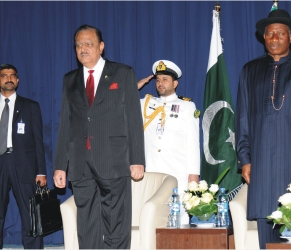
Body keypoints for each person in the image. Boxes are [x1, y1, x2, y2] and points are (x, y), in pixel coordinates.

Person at [235, 9, 291, 249]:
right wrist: (244, 159)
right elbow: (242, 118)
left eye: (280, 34)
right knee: (267, 227)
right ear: (263, 38)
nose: (274, 38)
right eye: (269, 34)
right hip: (261, 165)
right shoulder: (249, 70)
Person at [53, 24, 145, 249]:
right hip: (79, 164)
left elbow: (134, 119)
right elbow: (66, 123)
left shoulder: (123, 73)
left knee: (116, 224)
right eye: (79, 45)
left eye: (89, 44)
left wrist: (137, 160)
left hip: (113, 160)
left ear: (101, 47)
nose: (83, 48)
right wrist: (59, 166)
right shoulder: (70, 80)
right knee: (86, 225)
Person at [0, 64, 47, 249]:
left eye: (12, 75)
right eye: (4, 75)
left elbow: (38, 141)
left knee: (30, 213)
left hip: (23, 165)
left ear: (17, 80)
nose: (9, 78)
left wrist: (41, 171)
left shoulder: (31, 107)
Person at [139, 60, 200, 224]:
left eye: (165, 79)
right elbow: (119, 102)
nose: (160, 83)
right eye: (157, 80)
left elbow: (193, 142)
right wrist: (136, 86)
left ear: (175, 83)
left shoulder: (187, 106)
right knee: (152, 220)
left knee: (179, 221)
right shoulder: (145, 103)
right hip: (152, 173)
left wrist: (194, 175)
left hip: (177, 174)